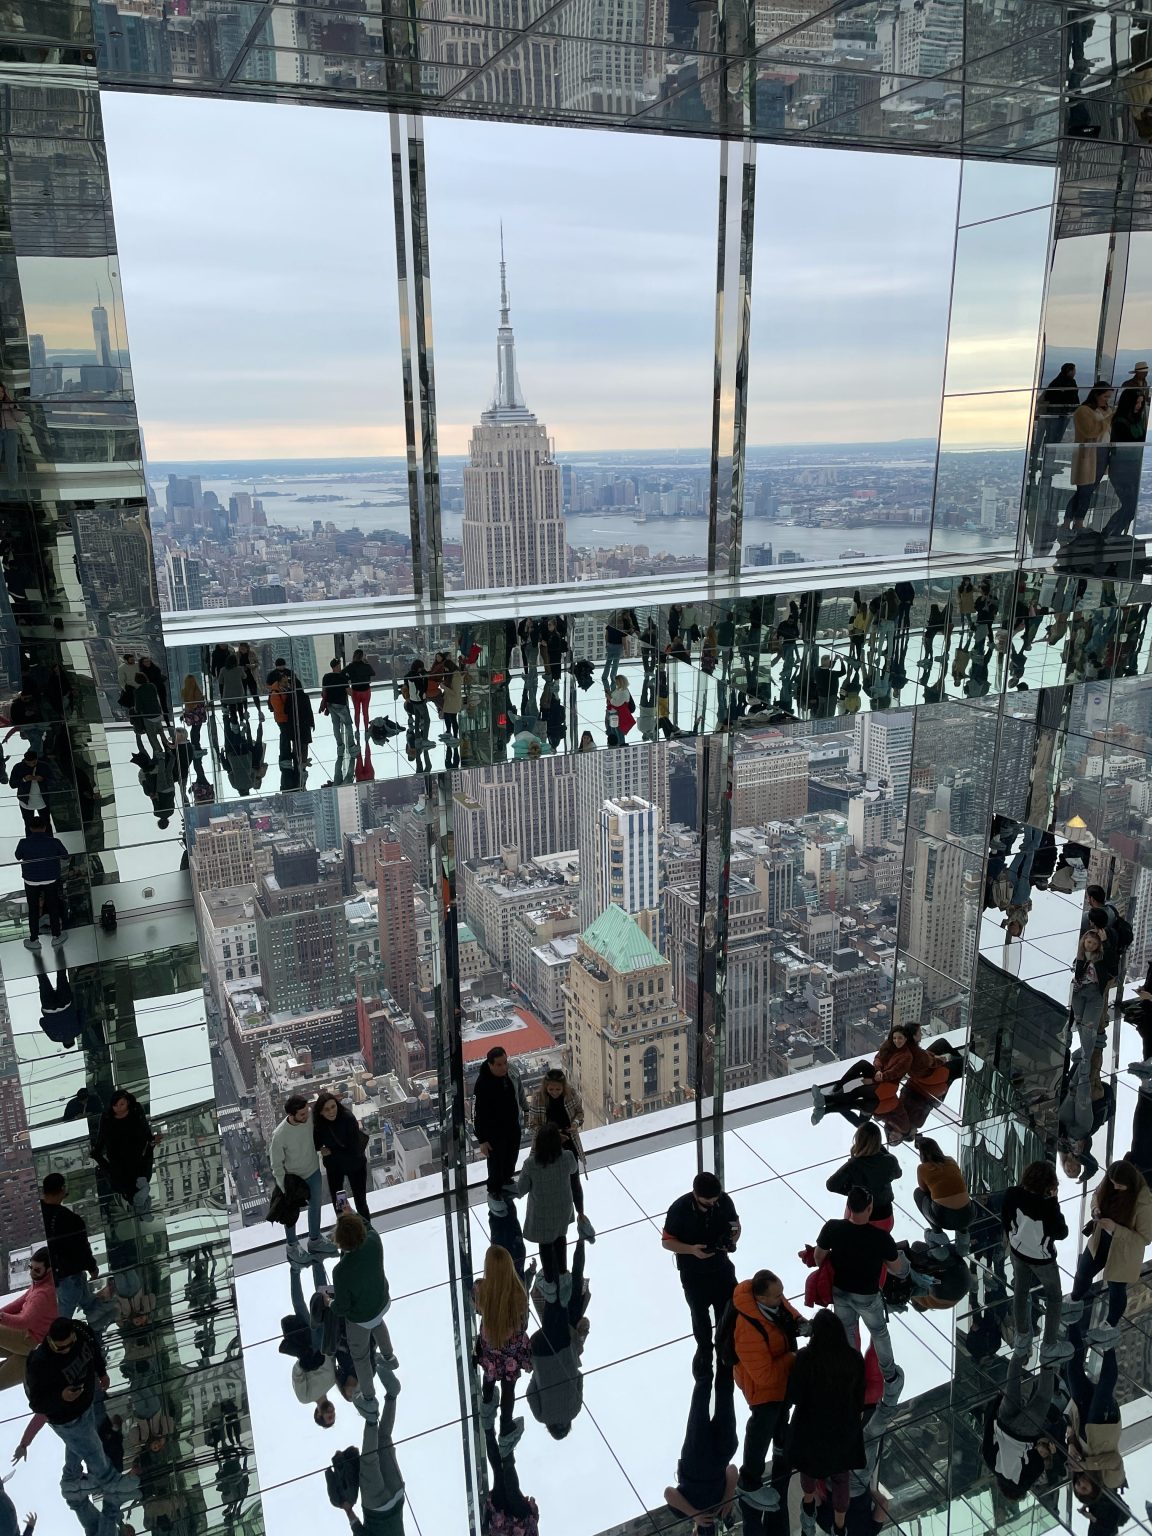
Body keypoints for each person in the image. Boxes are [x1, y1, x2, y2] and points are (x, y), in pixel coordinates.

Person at [720, 1268, 805, 1511]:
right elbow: (764, 1376)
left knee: (784, 1405)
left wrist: (799, 1321)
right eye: (777, 1295)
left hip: (779, 1370)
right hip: (760, 1387)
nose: (782, 1298)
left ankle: (781, 1441)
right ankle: (749, 1481)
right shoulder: (746, 1330)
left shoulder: (770, 1300)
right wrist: (793, 1357)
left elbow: (786, 1308)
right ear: (762, 1299)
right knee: (762, 1425)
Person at [25, 1318, 133, 1500]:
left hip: (86, 1404)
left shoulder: (80, 1331)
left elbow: (93, 1348)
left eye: (69, 1344)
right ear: (50, 1340)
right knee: (93, 1448)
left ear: (73, 1335)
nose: (66, 1350)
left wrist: (102, 1371)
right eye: (60, 1348)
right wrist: (61, 1397)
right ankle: (110, 1482)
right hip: (67, 1419)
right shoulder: (40, 1363)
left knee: (79, 1444)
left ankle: (72, 1477)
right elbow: (37, 1404)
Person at [813, 1187, 908, 1390]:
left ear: (849, 1207)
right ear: (870, 1208)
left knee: (847, 1332)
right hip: (867, 1296)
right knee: (879, 1332)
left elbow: (818, 1257)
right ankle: (890, 1376)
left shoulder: (832, 1228)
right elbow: (897, 1268)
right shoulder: (881, 1238)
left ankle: (851, 1374)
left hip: (840, 1292)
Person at [785, 1310, 866, 1536]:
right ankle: (840, 1527)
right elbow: (859, 1397)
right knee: (841, 1480)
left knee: (808, 1470)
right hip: (842, 1430)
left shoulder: (806, 1358)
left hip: (811, 1428)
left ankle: (809, 1503)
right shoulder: (853, 1358)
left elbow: (794, 1396)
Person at [1068, 1160, 1152, 1348]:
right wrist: (1095, 1209)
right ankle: (1074, 1299)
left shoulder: (1143, 1201)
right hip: (1100, 1240)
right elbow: (1096, 1196)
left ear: (1129, 1183)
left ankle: (1110, 1324)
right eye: (1112, 1183)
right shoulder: (1110, 1182)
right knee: (1083, 1271)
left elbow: (1145, 1238)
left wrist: (1116, 1229)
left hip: (1123, 1251)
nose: (1115, 1187)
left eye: (1119, 1185)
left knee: (1116, 1289)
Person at [662, 1172, 742, 1368]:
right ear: (696, 1195)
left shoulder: (723, 1201)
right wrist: (691, 1250)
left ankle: (726, 1345)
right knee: (699, 1314)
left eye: (716, 1200)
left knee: (729, 1308)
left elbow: (735, 1225)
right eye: (708, 1202)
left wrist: (732, 1240)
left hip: (721, 1266)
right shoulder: (679, 1209)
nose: (713, 1204)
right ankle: (705, 1349)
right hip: (693, 1273)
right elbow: (667, 1242)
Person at [329, 1211, 399, 1419]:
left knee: (360, 1358)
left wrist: (329, 1302)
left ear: (341, 1243)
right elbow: (368, 1226)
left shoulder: (340, 1271)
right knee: (378, 1323)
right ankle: (389, 1357)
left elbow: (341, 1307)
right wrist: (351, 1212)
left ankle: (369, 1399)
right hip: (381, 1301)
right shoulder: (374, 1242)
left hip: (360, 1318)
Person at [1001, 1161, 1072, 1365]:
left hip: (1018, 1250)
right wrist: (1054, 1202)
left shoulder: (1012, 1193)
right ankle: (1049, 1345)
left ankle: (1022, 1336)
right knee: (1054, 1298)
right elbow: (1061, 1232)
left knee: (1020, 1292)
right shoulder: (1047, 1206)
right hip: (1042, 1260)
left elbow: (1005, 1218)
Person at [664, 1366, 739, 1532]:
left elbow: (668, 1493)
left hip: (695, 1464)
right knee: (725, 1398)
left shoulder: (684, 1512)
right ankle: (725, 1357)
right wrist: (728, 1497)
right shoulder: (721, 1509)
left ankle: (704, 1353)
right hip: (719, 1459)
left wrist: (694, 1514)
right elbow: (732, 1470)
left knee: (701, 1400)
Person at [473, 1245, 530, 1452]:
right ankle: (506, 1426)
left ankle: (487, 1404)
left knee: (488, 1375)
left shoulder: (479, 1287)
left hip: (490, 1342)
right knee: (509, 1387)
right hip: (510, 1351)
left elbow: (478, 1309)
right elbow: (523, 1325)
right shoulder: (519, 1294)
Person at [528, 1068, 595, 1241]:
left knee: (574, 1180)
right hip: (548, 1145)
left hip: (569, 1142)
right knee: (551, 1182)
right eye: (551, 1089)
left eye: (558, 1089)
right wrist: (552, 1134)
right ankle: (556, 1219)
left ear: (563, 1087)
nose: (555, 1092)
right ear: (546, 1087)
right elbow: (532, 1125)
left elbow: (580, 1113)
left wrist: (576, 1124)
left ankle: (581, 1216)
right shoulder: (538, 1099)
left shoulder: (571, 1094)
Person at [516, 1122, 580, 1304]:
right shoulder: (567, 1157)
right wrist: (563, 1142)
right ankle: (563, 1274)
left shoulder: (531, 1164)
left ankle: (550, 1284)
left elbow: (521, 1190)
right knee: (560, 1238)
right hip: (562, 1209)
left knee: (545, 1245)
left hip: (542, 1213)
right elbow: (574, 1169)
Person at [271, 1094, 337, 1264]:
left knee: (315, 1207)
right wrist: (284, 1188)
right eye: (302, 1114)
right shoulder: (279, 1135)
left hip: (313, 1171)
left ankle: (315, 1240)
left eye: (307, 1112)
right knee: (291, 1213)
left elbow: (317, 1135)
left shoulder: (308, 1119)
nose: (307, 1116)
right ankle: (292, 1246)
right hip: (294, 1179)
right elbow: (276, 1164)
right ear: (291, 1115)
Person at [338, 1371, 406, 1535]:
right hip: (376, 1508)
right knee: (369, 1460)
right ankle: (370, 1418)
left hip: (397, 1494)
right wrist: (348, 1510)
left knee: (384, 1440)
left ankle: (392, 1395)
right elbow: (359, 1531)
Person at [810, 1026, 914, 1128]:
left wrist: (873, 1080)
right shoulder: (890, 1047)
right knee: (862, 1064)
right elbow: (878, 1058)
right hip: (879, 1076)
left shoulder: (907, 1057)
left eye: (900, 1038)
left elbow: (893, 1073)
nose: (896, 1041)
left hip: (888, 1085)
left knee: (857, 1093)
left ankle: (825, 1101)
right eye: (894, 1038)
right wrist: (877, 1070)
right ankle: (836, 1089)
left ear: (906, 1038)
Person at [473, 1046, 527, 1217]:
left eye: (505, 1062)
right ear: (490, 1065)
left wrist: (526, 1110)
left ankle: (507, 1180)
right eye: (499, 1065)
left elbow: (520, 1091)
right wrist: (482, 1139)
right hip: (495, 1131)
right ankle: (494, 1191)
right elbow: (479, 1114)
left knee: (512, 1155)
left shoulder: (511, 1072)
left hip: (513, 1124)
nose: (504, 1067)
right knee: (496, 1162)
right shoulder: (483, 1084)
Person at [39, 1174, 101, 1322]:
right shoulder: (71, 1220)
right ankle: (56, 1336)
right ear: (62, 1190)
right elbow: (82, 1248)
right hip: (70, 1274)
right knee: (64, 1314)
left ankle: (95, 1316)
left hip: (55, 1274)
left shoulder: (38, 1213)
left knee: (82, 1298)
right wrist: (92, 1267)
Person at [90, 1088, 161, 1213]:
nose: (119, 1108)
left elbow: (144, 1128)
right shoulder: (108, 1116)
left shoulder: (135, 1110)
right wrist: (151, 1143)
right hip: (123, 1152)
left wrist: (97, 1154)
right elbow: (147, 1160)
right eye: (115, 1105)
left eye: (121, 1104)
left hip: (124, 1153)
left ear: (128, 1102)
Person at [825, 1123, 902, 1228]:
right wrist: (880, 1148)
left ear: (858, 1140)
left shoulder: (853, 1165)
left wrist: (852, 1191)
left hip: (857, 1216)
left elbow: (831, 1185)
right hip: (884, 1216)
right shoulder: (890, 1160)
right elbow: (898, 1174)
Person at [0, 1249, 56, 1389]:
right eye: (31, 1267)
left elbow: (24, 1321)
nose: (32, 1273)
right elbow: (19, 1302)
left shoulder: (44, 1293)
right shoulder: (39, 1284)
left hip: (29, 1341)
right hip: (31, 1347)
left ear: (49, 1270)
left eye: (37, 1270)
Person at [313, 1089, 371, 1221]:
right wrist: (322, 1149)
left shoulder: (347, 1118)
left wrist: (331, 1151)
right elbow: (316, 1144)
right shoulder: (319, 1125)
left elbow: (354, 1148)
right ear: (321, 1112)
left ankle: (367, 1232)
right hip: (335, 1169)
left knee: (360, 1201)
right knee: (340, 1203)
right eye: (326, 1109)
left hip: (355, 1166)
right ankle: (346, 1231)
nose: (331, 1111)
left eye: (333, 1107)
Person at [14, 815, 68, 952]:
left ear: (30, 828)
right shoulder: (54, 841)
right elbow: (65, 855)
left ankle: (34, 939)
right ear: (45, 827)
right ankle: (56, 936)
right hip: (50, 878)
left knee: (33, 909)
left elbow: (18, 856)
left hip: (30, 880)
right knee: (53, 906)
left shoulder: (23, 842)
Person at [1064, 383, 1115, 531]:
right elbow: (1091, 431)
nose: (1107, 400)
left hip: (1102, 452)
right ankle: (1075, 521)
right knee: (1084, 490)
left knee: (1089, 490)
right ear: (1096, 395)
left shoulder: (1106, 411)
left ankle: (1073, 521)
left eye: (1109, 397)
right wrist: (1107, 419)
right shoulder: (1083, 411)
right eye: (1105, 396)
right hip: (1088, 454)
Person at [912, 1136, 972, 1255]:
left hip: (943, 1217)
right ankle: (963, 1242)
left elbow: (923, 1189)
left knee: (918, 1194)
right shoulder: (950, 1160)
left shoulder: (922, 1168)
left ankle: (937, 1233)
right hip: (968, 1214)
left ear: (922, 1153)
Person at [1071, 929, 1112, 1063]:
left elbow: (1112, 964)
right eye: (1089, 942)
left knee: (1088, 1026)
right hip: (1078, 993)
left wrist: (1105, 942)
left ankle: (1086, 1057)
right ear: (1084, 941)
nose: (1090, 945)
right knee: (1079, 1023)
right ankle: (1085, 1051)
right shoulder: (1078, 956)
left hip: (1093, 993)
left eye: (1094, 944)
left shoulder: (1100, 958)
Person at [321, 658, 355, 757]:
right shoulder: (342, 677)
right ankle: (351, 746)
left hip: (330, 705)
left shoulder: (326, 677)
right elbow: (349, 692)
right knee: (348, 724)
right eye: (339, 665)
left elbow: (324, 692)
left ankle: (340, 746)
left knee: (336, 725)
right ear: (337, 666)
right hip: (341, 705)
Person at [346, 650, 376, 734]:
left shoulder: (351, 666)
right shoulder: (366, 666)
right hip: (366, 691)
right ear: (362, 656)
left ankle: (357, 730)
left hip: (355, 691)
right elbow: (373, 673)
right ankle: (366, 729)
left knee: (357, 711)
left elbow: (343, 675)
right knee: (365, 711)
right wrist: (366, 663)